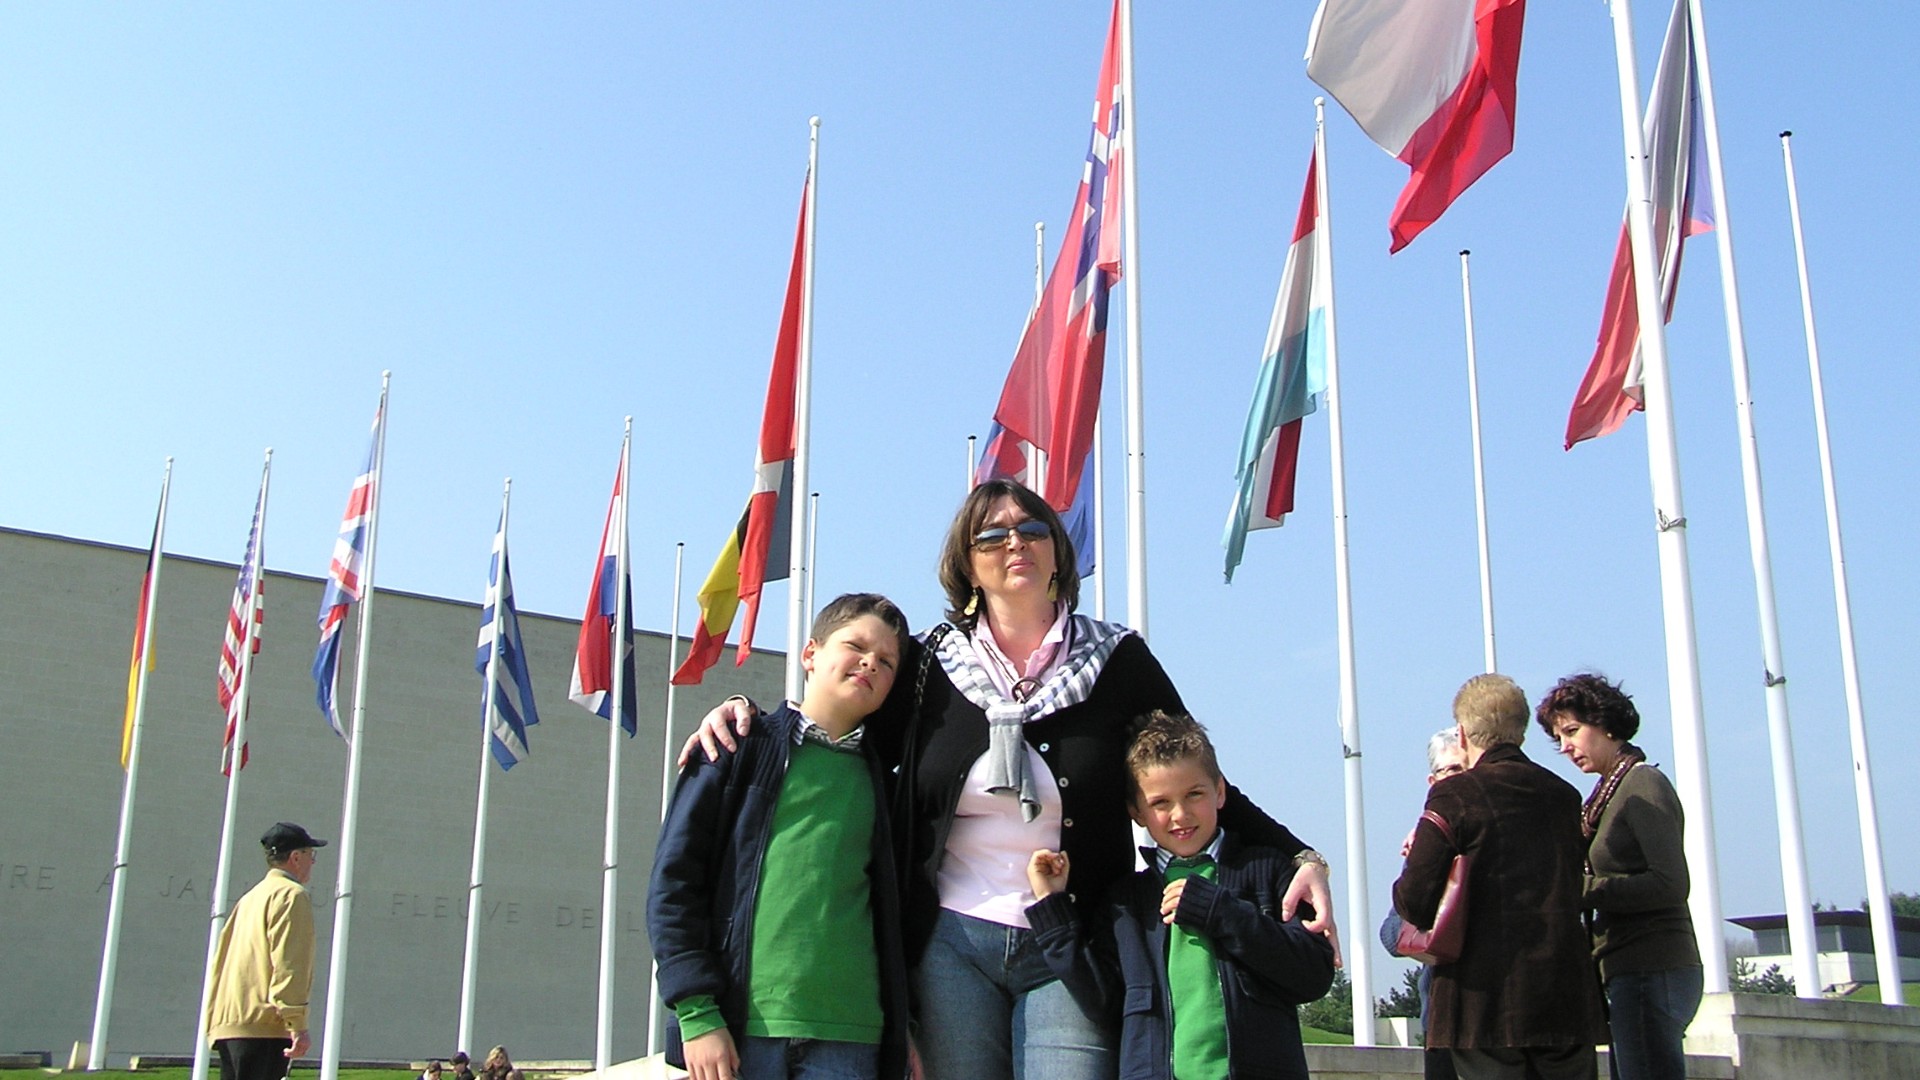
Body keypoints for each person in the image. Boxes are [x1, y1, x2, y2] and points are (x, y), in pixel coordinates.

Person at [684, 480, 1335, 1079]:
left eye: (1032, 529)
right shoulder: (928, 664)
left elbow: (1195, 774)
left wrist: (1299, 855)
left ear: (1058, 552)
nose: (1014, 543)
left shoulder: (1119, 661)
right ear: (968, 565)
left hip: (1071, 940)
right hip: (949, 943)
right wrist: (751, 719)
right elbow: (839, 731)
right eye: (991, 535)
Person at [649, 594, 913, 1080]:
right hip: (741, 1032)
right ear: (810, 653)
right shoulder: (734, 747)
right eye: (855, 646)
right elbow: (675, 883)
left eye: (887, 661)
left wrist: (905, 1028)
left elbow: (901, 914)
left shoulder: (890, 788)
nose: (870, 663)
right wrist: (696, 1012)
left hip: (852, 1039)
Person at [1025, 710, 1335, 1080]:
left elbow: (1314, 976)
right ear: (1136, 812)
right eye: (1160, 803)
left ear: (1220, 792)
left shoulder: (1267, 870)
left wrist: (1221, 912)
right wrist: (1052, 910)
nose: (1180, 814)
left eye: (1194, 794)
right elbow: (1104, 1003)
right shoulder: (1126, 901)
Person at [1394, 675, 1607, 1080]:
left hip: (1483, 1005)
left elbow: (1415, 900)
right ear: (1522, 732)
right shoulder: (1564, 796)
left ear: (1462, 734)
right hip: (1564, 998)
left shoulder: (1454, 795)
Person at [1536, 674, 1701, 1080]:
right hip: (1627, 968)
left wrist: (1582, 890)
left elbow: (1671, 884)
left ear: (1604, 723)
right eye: (1558, 739)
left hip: (1652, 965)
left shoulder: (1642, 784)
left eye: (1572, 731)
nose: (1565, 747)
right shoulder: (1606, 795)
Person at [1380, 727, 1470, 1080]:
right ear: (1432, 781)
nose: (1456, 781)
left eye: (1464, 769)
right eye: (1449, 771)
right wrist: (1439, 932)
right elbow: (1390, 934)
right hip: (1441, 1016)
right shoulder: (1425, 847)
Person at [204, 822, 326, 1080]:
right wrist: (297, 1023)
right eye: (310, 854)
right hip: (265, 1026)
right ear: (296, 857)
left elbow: (221, 961)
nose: (313, 862)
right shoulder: (291, 895)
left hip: (231, 1024)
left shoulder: (249, 898)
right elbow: (289, 964)